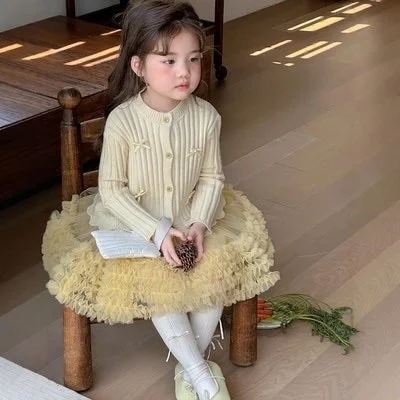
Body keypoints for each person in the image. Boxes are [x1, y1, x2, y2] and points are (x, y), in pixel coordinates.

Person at [42, 1, 280, 399]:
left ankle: (190, 368)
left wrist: (199, 224)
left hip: (191, 217)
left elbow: (211, 178)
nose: (184, 72)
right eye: (168, 61)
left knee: (214, 279)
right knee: (159, 285)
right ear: (138, 66)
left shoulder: (206, 117)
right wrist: (156, 231)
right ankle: (203, 378)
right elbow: (112, 189)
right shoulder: (123, 121)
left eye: (193, 59)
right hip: (132, 224)